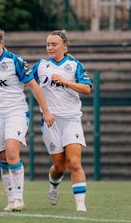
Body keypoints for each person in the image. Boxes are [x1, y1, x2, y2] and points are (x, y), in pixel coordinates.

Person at [0, 25, 54, 212]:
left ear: (1, 44)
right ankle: (11, 199)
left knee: (13, 153)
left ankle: (20, 198)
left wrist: (45, 111)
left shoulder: (15, 61)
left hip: (16, 112)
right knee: (3, 158)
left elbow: (34, 86)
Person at [32, 30, 92, 212]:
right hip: (51, 121)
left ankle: (80, 206)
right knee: (60, 166)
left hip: (71, 119)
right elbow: (27, 83)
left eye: (54, 44)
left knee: (74, 162)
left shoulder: (74, 65)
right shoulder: (41, 66)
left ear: (64, 46)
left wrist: (66, 82)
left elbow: (87, 88)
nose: (50, 47)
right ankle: (53, 187)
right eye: (48, 44)